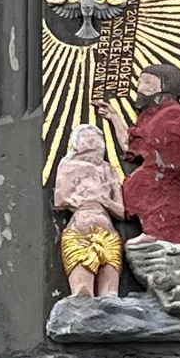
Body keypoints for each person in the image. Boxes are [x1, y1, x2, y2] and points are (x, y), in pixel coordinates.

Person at [94, 64, 180, 247]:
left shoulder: (175, 115)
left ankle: (159, 233)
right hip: (162, 172)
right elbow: (131, 146)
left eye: (147, 82)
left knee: (141, 185)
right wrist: (114, 116)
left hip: (176, 179)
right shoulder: (153, 117)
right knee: (137, 185)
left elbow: (176, 158)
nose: (139, 88)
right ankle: (153, 231)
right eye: (139, 82)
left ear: (164, 87)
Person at [53, 124, 125, 297]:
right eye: (87, 137)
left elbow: (121, 211)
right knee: (82, 294)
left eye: (96, 138)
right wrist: (86, 197)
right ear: (77, 143)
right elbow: (61, 198)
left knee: (110, 296)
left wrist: (104, 200)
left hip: (108, 234)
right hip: (80, 232)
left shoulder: (108, 170)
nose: (92, 141)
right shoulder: (68, 166)